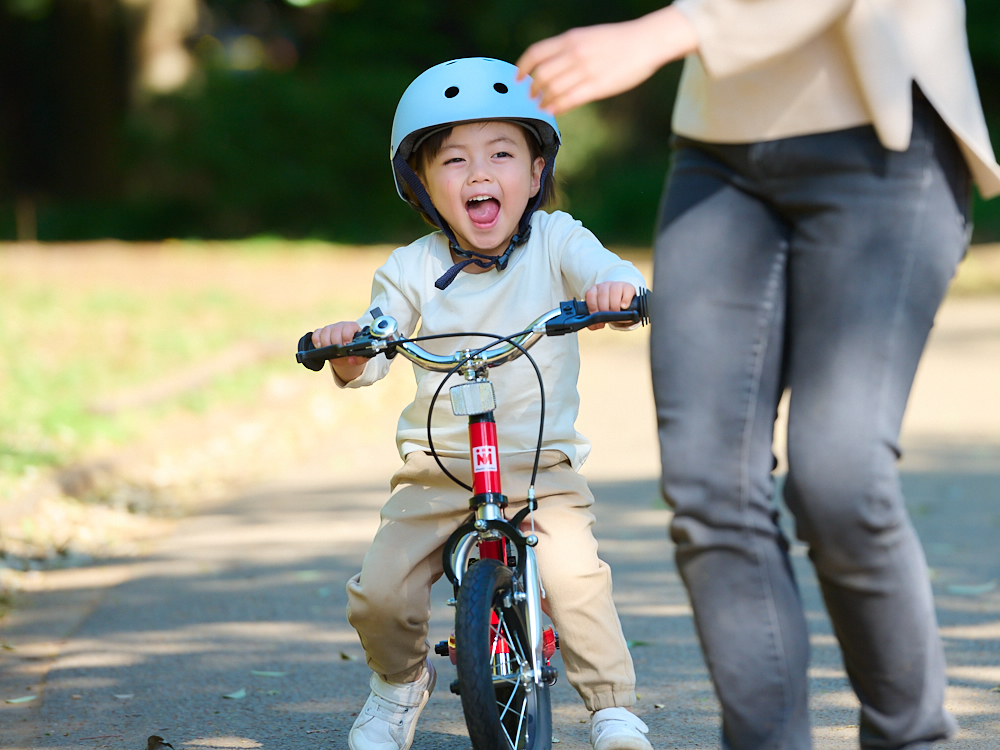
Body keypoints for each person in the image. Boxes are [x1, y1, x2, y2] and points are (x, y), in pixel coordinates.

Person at [518, 3, 1000, 750]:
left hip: (882, 143)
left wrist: (666, 31)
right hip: (722, 158)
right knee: (709, 489)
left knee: (839, 478)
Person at [311, 57, 654, 750]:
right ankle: (398, 686)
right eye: (453, 160)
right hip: (437, 470)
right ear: (421, 184)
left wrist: (614, 294)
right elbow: (377, 340)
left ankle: (612, 708)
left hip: (539, 467)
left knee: (576, 577)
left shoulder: (557, 240)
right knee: (380, 591)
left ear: (534, 174)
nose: (478, 174)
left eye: (501, 154)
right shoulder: (411, 269)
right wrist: (351, 347)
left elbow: (610, 272)